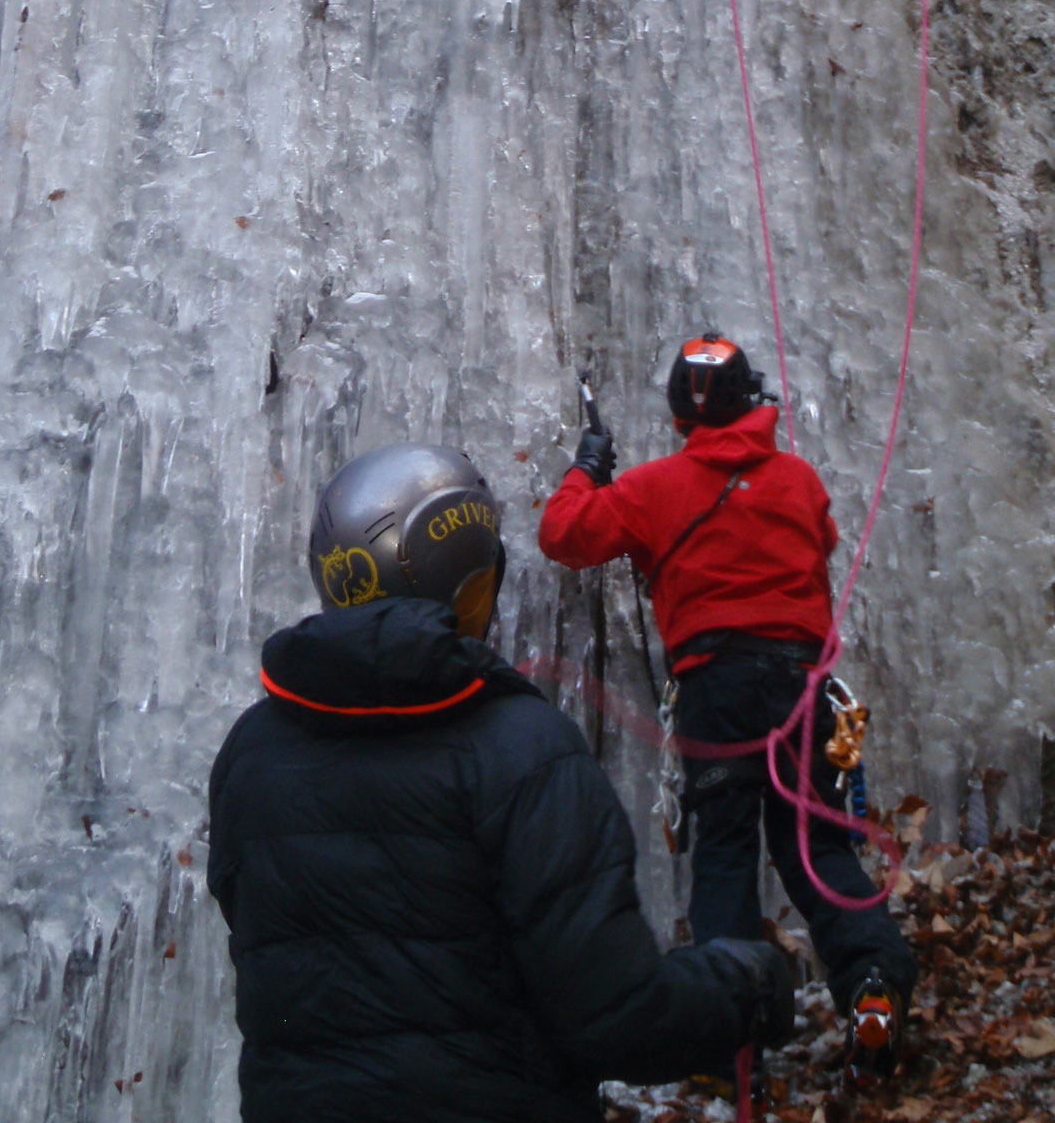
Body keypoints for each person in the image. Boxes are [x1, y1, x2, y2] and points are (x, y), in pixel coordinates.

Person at [207, 442, 793, 1123]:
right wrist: (744, 986)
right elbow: (617, 1015)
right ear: (467, 585)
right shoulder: (523, 751)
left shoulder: (251, 754)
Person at [539, 334, 917, 1086]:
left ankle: (730, 1039)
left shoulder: (653, 489)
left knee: (723, 855)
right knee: (818, 851)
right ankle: (874, 982)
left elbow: (564, 536)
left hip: (716, 689)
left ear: (681, 413)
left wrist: (587, 468)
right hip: (801, 688)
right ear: (754, 400)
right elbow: (820, 541)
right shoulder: (800, 480)